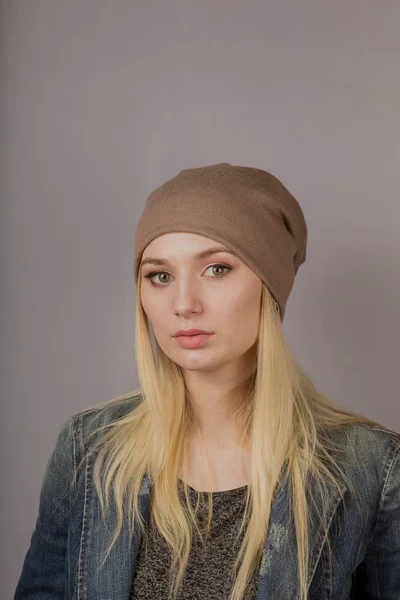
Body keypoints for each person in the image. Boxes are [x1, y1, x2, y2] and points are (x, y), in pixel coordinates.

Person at [15, 162, 400, 600]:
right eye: (160, 276)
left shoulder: (372, 468)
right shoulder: (89, 450)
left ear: (270, 285)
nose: (183, 303)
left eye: (216, 269)